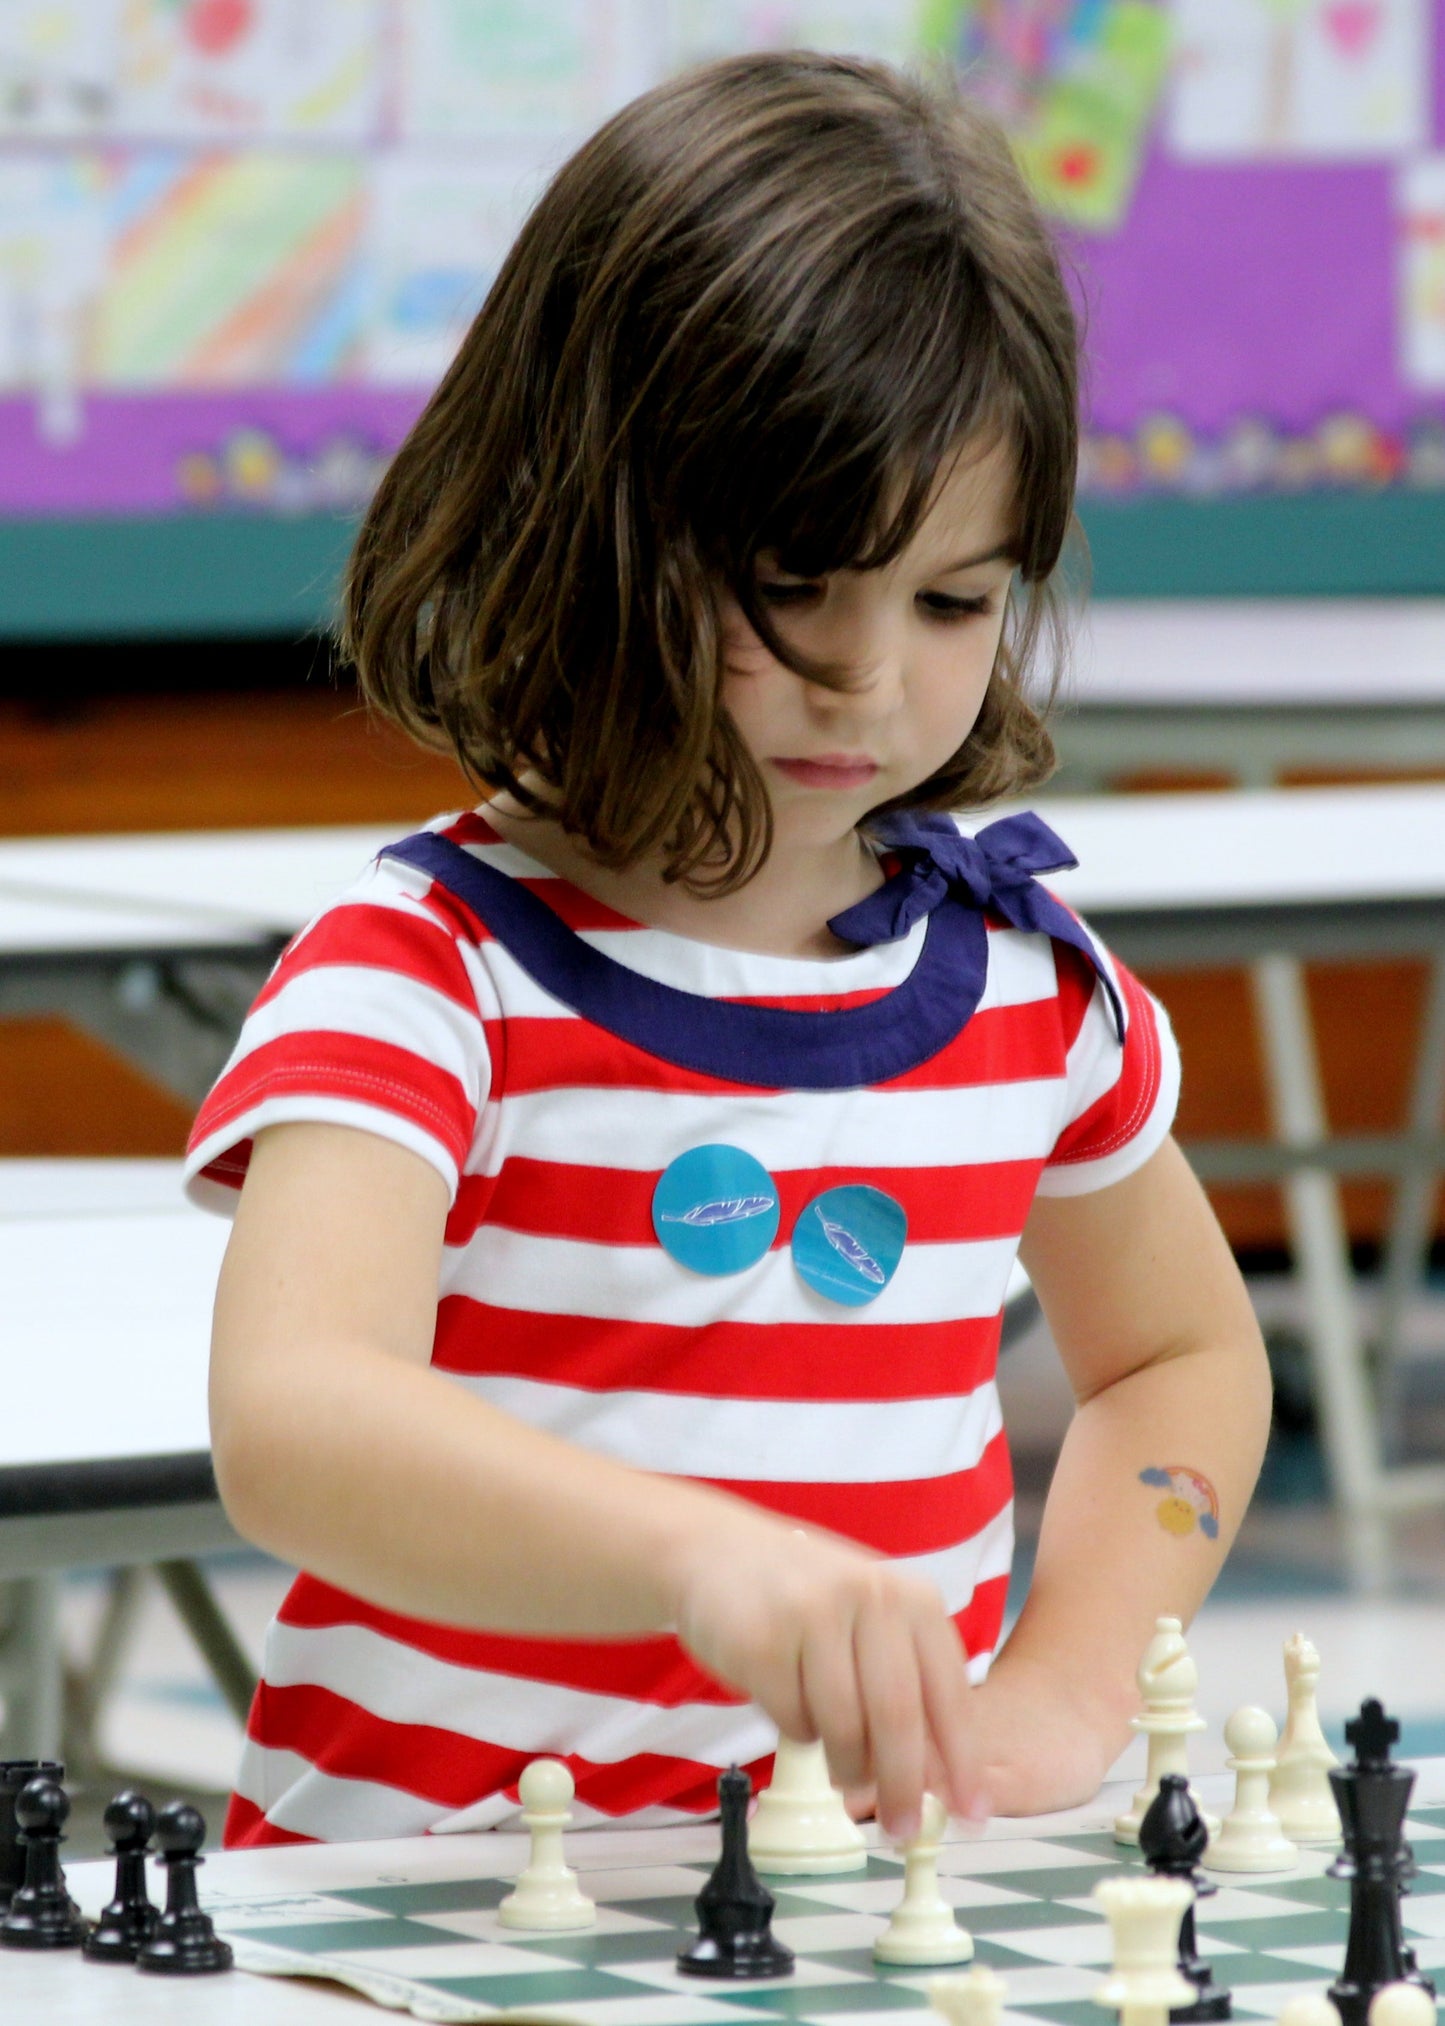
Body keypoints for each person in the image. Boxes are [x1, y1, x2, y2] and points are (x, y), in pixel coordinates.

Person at [189, 51, 1272, 1852]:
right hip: (414, 1923)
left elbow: (1180, 1356)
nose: (870, 674)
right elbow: (292, 1418)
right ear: (588, 518)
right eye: (790, 584)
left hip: (824, 1921)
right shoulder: (433, 969)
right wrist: (695, 1558)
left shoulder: (1018, 983)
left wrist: (1068, 1687)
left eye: (950, 599)